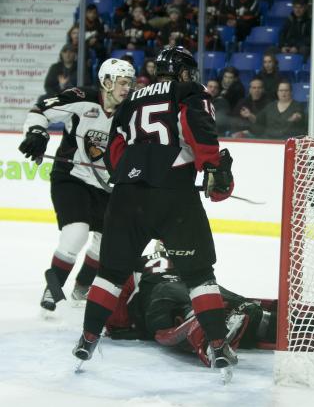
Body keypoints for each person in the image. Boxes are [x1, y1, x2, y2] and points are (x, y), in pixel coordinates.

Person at [71, 46, 238, 373]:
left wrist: (130, 177)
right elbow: (196, 124)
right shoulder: (190, 91)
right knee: (199, 274)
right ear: (185, 71)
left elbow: (114, 152)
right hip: (173, 192)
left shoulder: (130, 99)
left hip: (127, 195)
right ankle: (218, 345)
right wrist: (211, 166)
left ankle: (87, 339)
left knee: (110, 273)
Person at [18, 58, 136, 311]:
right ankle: (54, 286)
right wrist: (37, 133)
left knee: (105, 242)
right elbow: (40, 111)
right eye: (122, 83)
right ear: (106, 82)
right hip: (71, 178)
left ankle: (83, 286)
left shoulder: (131, 112)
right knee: (76, 232)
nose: (127, 88)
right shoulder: (82, 97)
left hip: (107, 187)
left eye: (130, 83)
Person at [104, 241, 277, 365]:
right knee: (207, 289)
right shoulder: (191, 262)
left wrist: (122, 328)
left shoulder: (138, 264)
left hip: (160, 309)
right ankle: (254, 313)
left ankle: (205, 317)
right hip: (181, 297)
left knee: (177, 290)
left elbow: (117, 302)